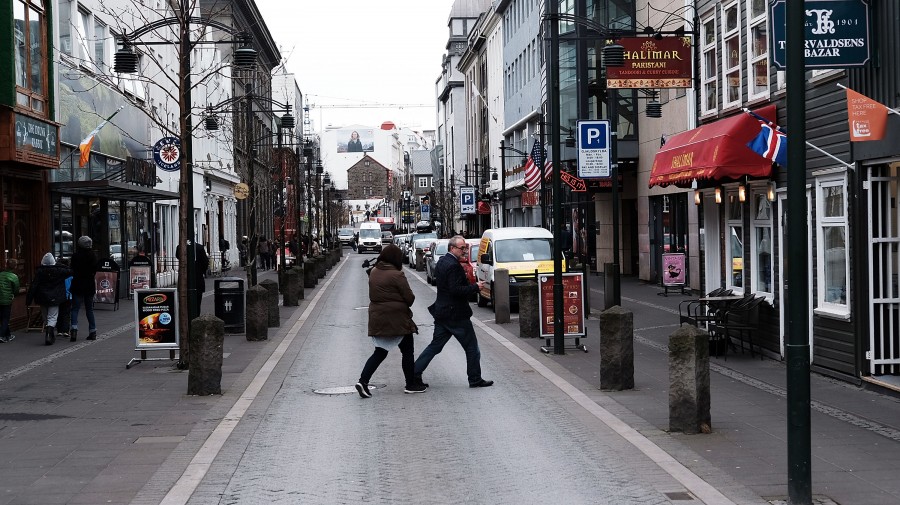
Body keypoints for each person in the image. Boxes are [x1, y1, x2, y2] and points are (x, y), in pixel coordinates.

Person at [411, 235, 493, 391]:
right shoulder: (453, 266)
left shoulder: (443, 261)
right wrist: (475, 287)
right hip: (456, 314)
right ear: (452, 248)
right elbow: (456, 290)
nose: (465, 251)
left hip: (442, 313)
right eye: (462, 248)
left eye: (465, 248)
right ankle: (475, 379)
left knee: (435, 346)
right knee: (471, 347)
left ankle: (414, 372)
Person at [355, 244, 419, 398]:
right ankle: (411, 384)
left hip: (378, 317)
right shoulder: (397, 274)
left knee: (380, 351)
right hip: (398, 318)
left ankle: (363, 381)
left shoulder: (374, 272)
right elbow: (409, 298)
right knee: (407, 352)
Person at [26, 253, 71, 345]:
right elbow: (69, 270)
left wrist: (28, 299)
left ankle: (48, 330)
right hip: (55, 296)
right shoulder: (59, 271)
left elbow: (34, 286)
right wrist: (59, 264)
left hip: (42, 297)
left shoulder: (39, 272)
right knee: (53, 316)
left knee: (45, 316)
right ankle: (49, 334)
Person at [70, 236, 99, 342]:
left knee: (75, 308)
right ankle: (92, 331)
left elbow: (72, 269)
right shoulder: (93, 256)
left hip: (77, 284)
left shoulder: (75, 256)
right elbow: (95, 269)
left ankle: (73, 330)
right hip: (89, 284)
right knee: (89, 309)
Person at [175, 239, 209, 315]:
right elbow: (205, 262)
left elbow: (178, 257)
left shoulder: (179, 247)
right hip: (197, 279)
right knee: (197, 303)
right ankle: (195, 318)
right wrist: (201, 271)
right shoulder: (199, 247)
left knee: (184, 303)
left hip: (184, 280)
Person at [0, 259, 20, 343]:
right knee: (5, 318)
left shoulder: (0, 274)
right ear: (15, 267)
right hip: (7, 300)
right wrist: (13, 295)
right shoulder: (13, 276)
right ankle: (1, 335)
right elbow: (16, 289)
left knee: (2, 317)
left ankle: (8, 335)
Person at [55, 257, 73, 341]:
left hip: (58, 295)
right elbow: (72, 286)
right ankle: (66, 330)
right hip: (68, 296)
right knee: (66, 313)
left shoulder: (57, 273)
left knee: (59, 312)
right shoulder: (69, 274)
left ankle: (59, 330)